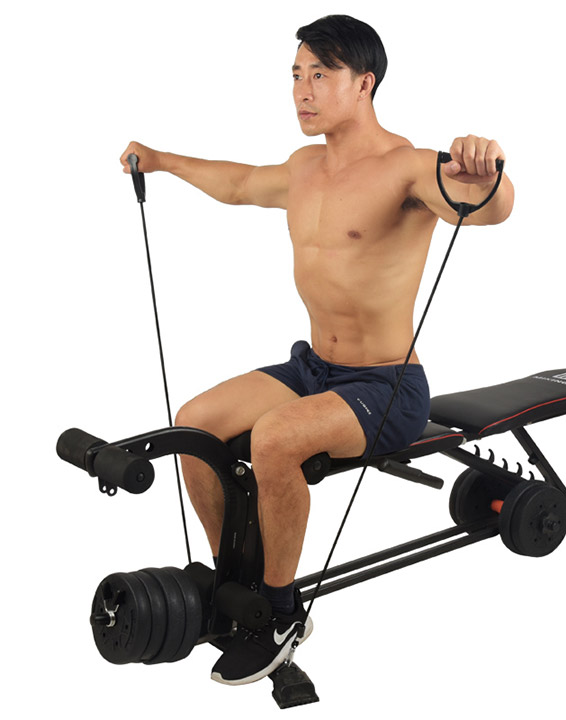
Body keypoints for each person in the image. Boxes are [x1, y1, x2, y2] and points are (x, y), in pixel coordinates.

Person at [120, 14, 513, 686]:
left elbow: (488, 206)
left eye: (320, 75)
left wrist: (491, 168)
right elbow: (240, 184)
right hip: (315, 368)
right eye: (296, 75)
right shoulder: (305, 168)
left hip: (386, 385)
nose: (302, 90)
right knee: (195, 423)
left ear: (364, 83)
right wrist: (159, 160)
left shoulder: (408, 168)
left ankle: (279, 613)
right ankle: (233, 580)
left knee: (274, 439)